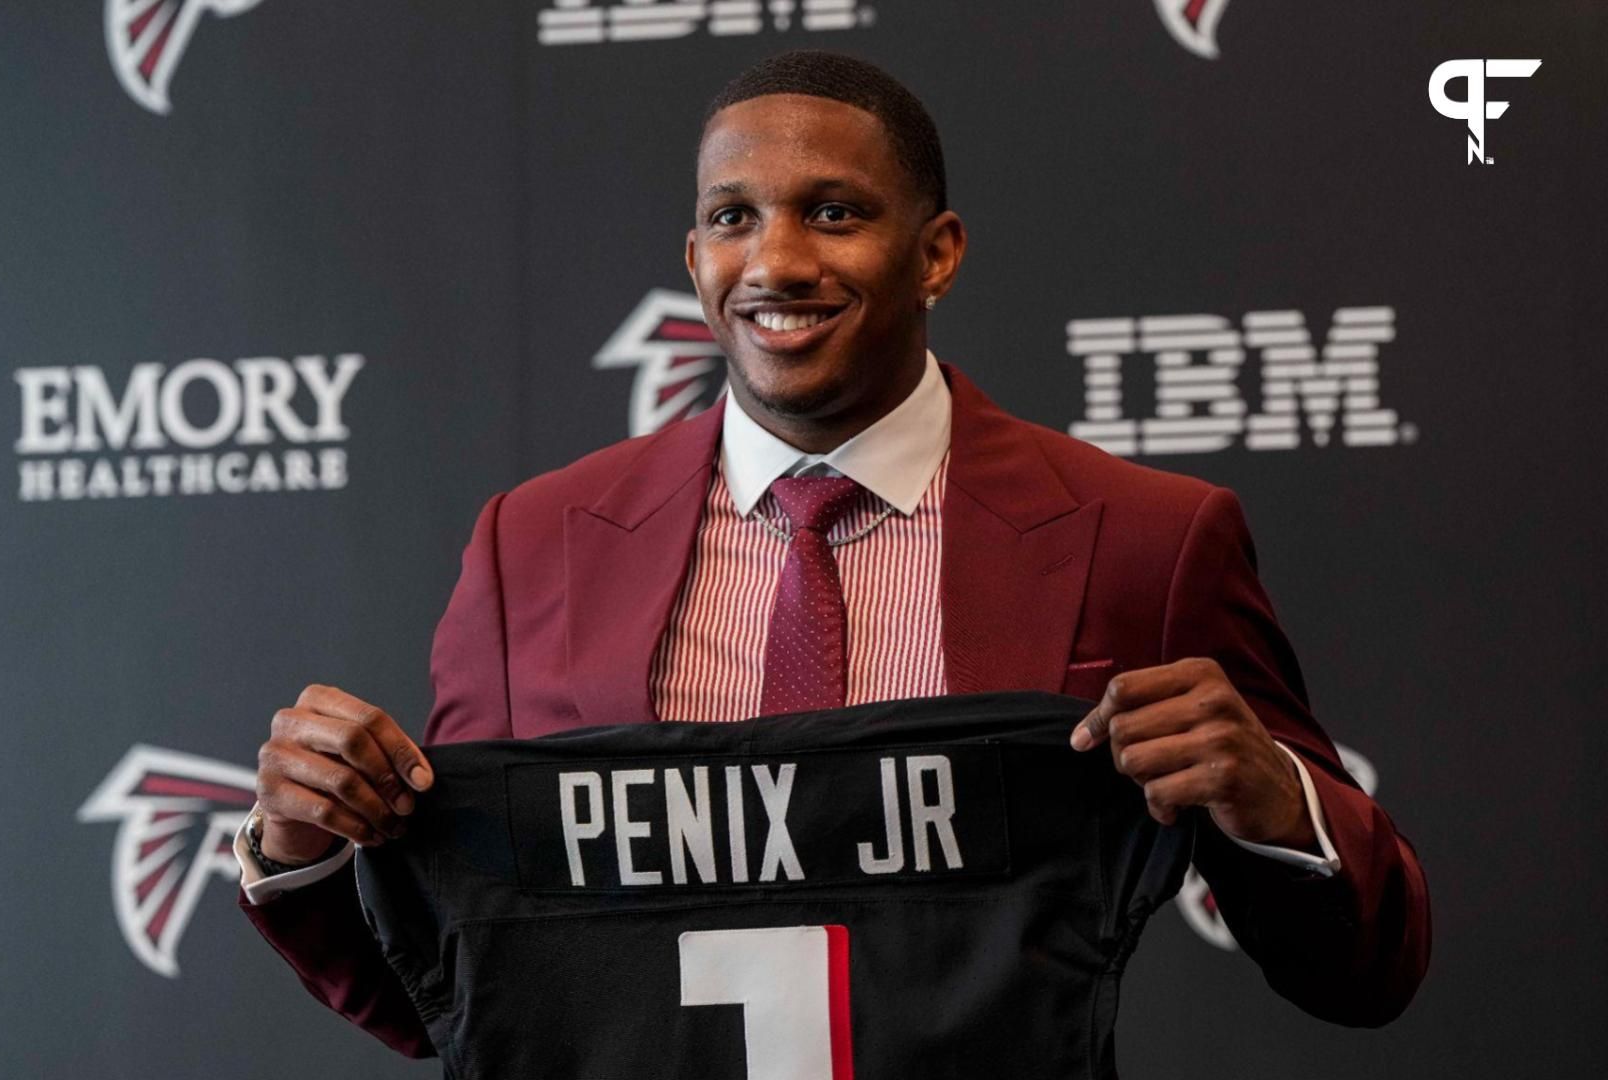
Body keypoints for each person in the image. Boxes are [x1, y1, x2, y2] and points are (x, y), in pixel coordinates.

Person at [234, 50, 1430, 1058]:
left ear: (938, 253)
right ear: (695, 254)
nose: (778, 263)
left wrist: (1277, 803)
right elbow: (471, 999)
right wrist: (301, 853)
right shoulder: (530, 546)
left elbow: (1365, 972)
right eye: (732, 217)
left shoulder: (1150, 539)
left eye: (836, 212)